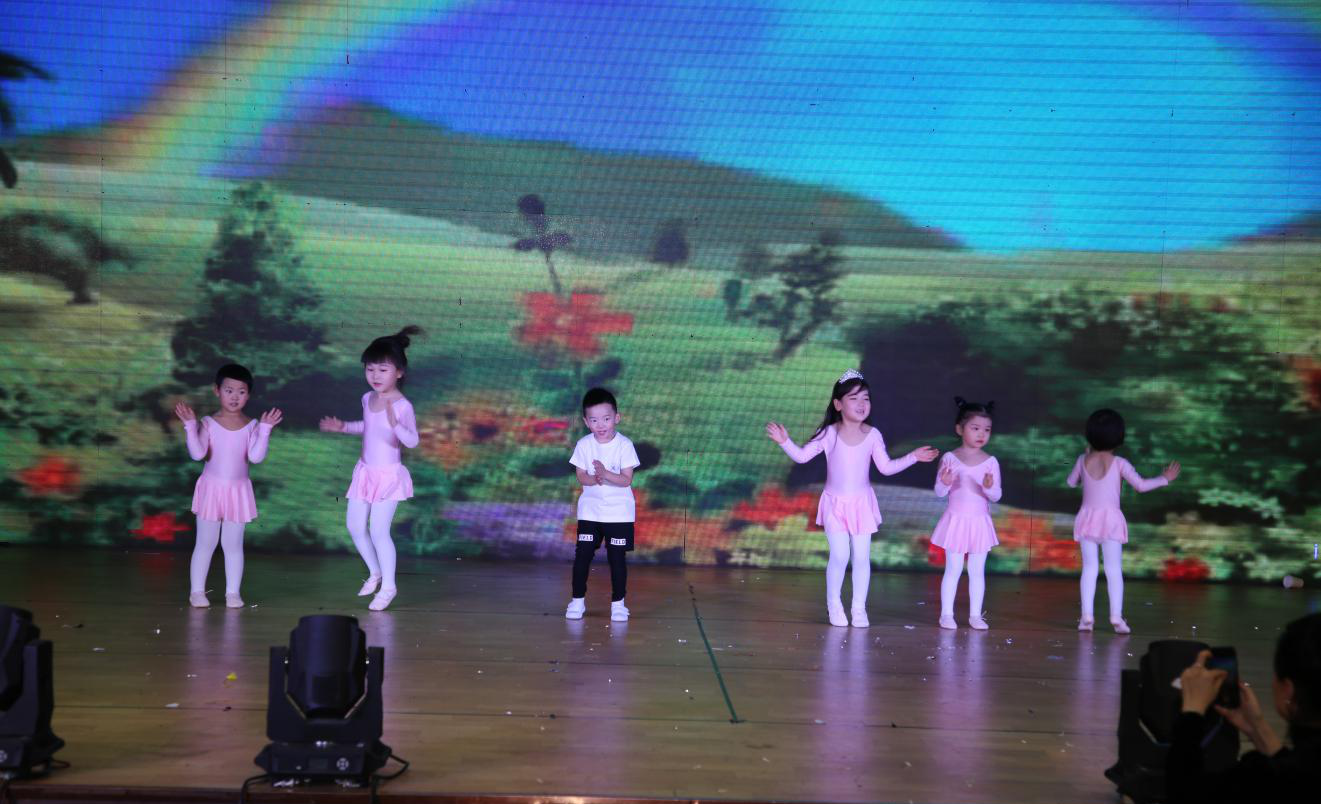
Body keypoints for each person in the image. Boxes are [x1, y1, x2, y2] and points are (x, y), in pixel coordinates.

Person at [766, 369, 938, 627]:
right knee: (839, 556)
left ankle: (858, 609)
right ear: (838, 404)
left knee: (861, 558)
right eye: (854, 398)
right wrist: (785, 441)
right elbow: (802, 457)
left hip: (861, 504)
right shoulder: (829, 433)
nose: (861, 404)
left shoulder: (873, 435)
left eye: (865, 398)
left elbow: (886, 468)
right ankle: (834, 605)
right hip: (834, 503)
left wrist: (913, 456)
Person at [1167, 612, 1321, 803]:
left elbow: (1184, 793)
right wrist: (1258, 729)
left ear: (1289, 692)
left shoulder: (1260, 779)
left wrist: (1192, 711)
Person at [319, 326, 422, 612]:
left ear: (399, 372)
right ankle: (375, 572)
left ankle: (388, 586)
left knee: (378, 531)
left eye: (383, 370)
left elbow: (412, 441)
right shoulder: (368, 398)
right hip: (365, 472)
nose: (375, 376)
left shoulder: (402, 406)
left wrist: (396, 424)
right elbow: (369, 427)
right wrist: (343, 427)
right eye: (370, 369)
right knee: (354, 526)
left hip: (388, 476)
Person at [175, 363, 281, 609]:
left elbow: (255, 457)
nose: (235, 397)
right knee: (205, 543)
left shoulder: (252, 425)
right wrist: (190, 426)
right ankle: (197, 592)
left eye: (241, 392)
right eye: (229, 390)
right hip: (211, 490)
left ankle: (232, 593)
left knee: (233, 545)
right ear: (217, 391)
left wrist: (265, 430)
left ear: (248, 395)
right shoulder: (208, 423)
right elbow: (197, 453)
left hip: (238, 491)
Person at [1067, 408, 1180, 634]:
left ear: (1090, 434)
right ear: (1119, 437)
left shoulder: (1082, 459)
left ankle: (1086, 616)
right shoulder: (1119, 463)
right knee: (1113, 570)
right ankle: (1116, 617)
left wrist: (1087, 459)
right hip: (1110, 521)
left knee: (1089, 568)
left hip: (1087, 519)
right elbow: (1141, 485)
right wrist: (1164, 479)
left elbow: (1071, 483)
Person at [565, 387, 641, 622]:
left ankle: (618, 604)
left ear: (616, 418)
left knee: (616, 559)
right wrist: (594, 478)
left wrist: (605, 474)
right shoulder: (584, 444)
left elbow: (626, 480)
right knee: (583, 556)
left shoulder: (624, 445)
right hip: (590, 511)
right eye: (594, 420)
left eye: (606, 419)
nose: (601, 425)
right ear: (586, 422)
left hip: (619, 513)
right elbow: (581, 476)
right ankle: (577, 601)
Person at [932, 398, 1000, 630]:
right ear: (960, 429)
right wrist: (945, 482)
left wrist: (989, 487)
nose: (982, 434)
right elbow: (939, 492)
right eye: (975, 428)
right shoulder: (950, 458)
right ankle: (946, 615)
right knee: (953, 569)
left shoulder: (990, 462)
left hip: (979, 523)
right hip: (956, 521)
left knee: (977, 571)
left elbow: (996, 496)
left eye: (987, 430)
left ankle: (975, 616)